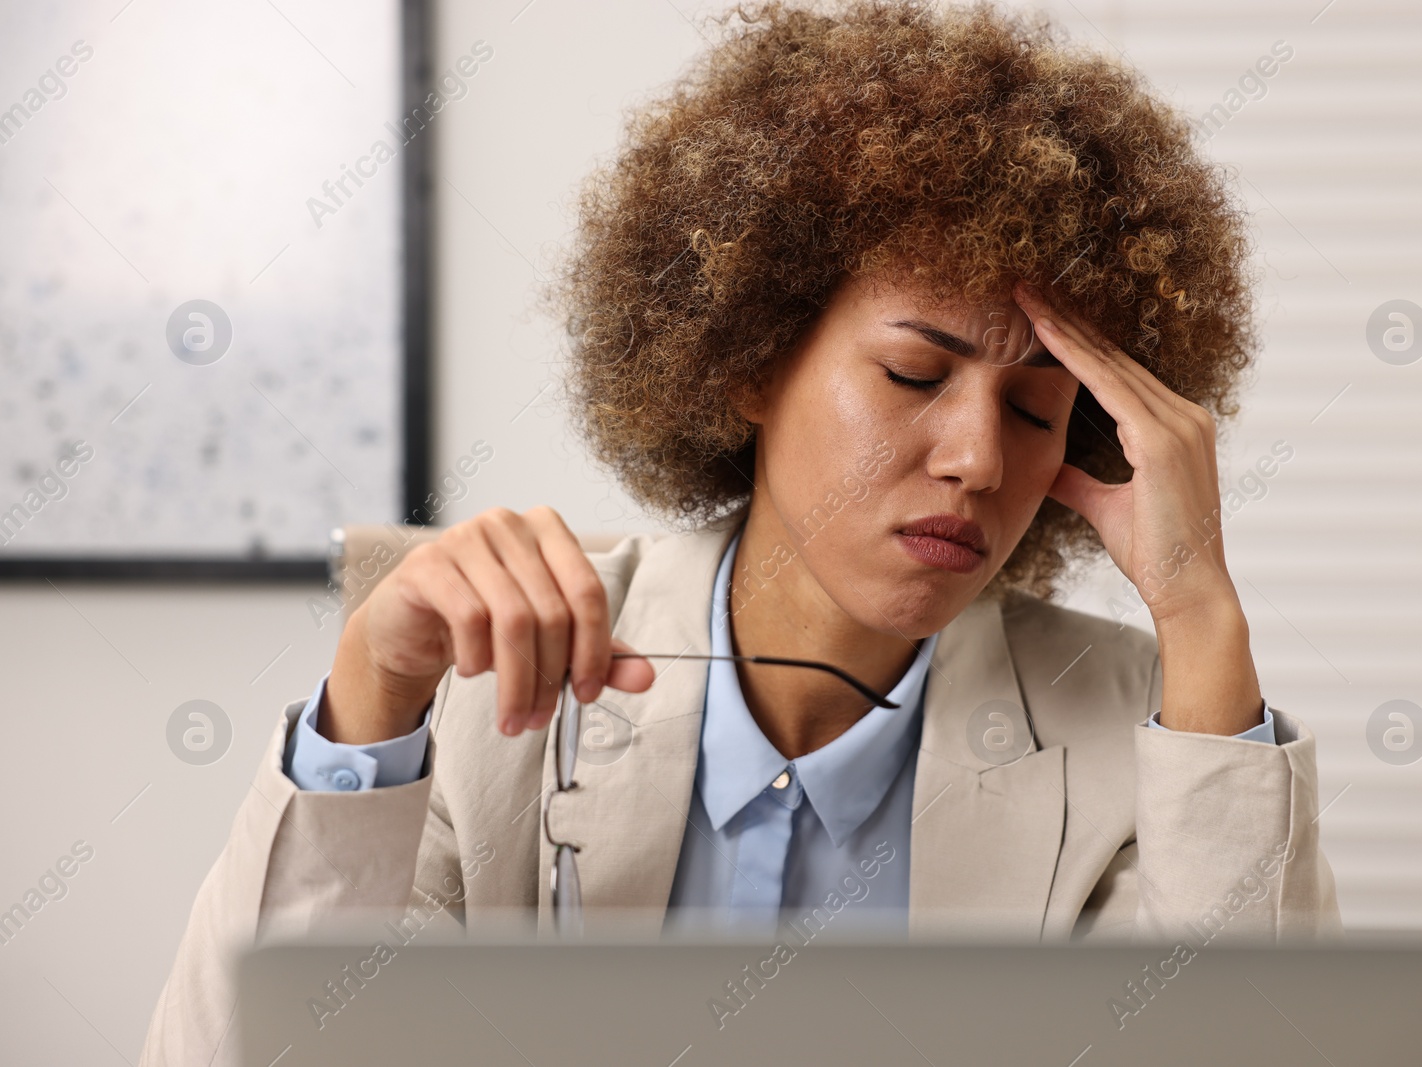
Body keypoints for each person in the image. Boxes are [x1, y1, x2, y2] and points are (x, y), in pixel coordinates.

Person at [139, 1, 1339, 1061]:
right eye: (916, 374)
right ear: (754, 361)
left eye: (1036, 409)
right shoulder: (477, 688)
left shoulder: (1145, 726)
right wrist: (371, 697)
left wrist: (1199, 613)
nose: (980, 458)